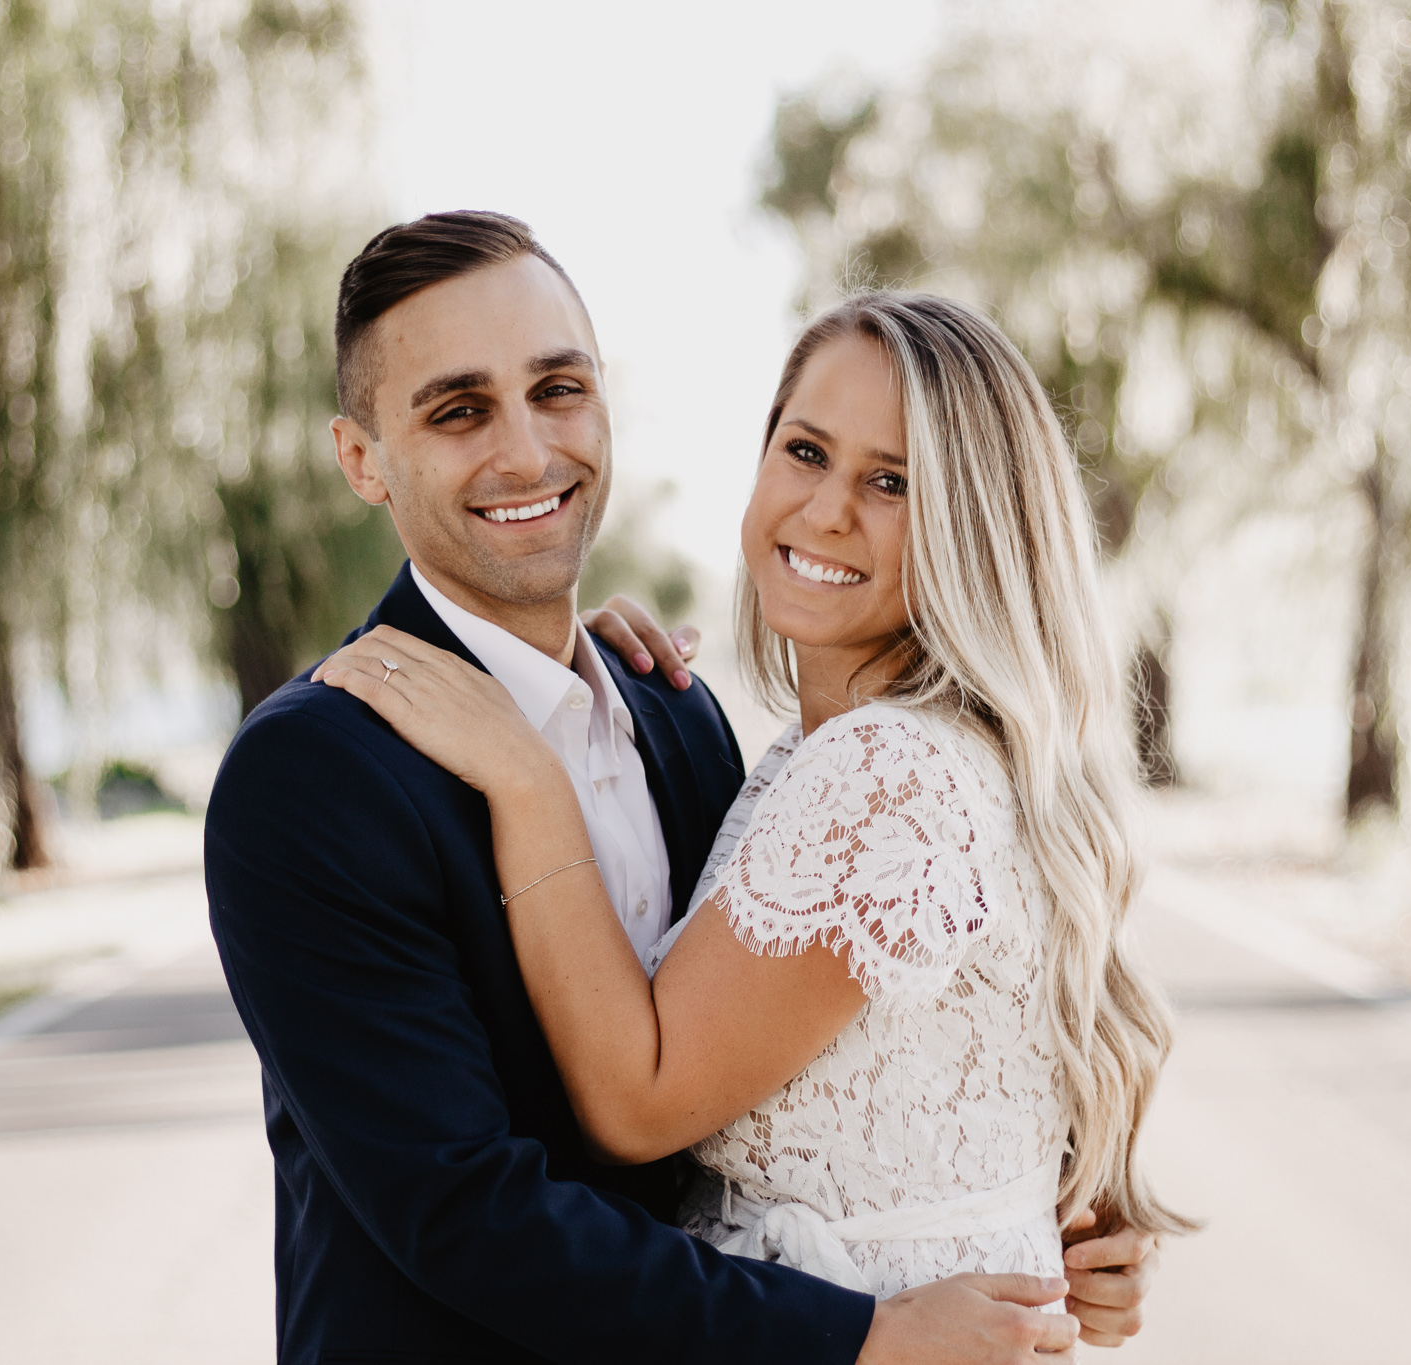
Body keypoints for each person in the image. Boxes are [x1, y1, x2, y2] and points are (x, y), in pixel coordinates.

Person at [206, 210, 1159, 1365]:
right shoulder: (312, 772)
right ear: (362, 459)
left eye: (558, 389)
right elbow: (463, 1212)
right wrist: (861, 1334)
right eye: (458, 410)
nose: (523, 451)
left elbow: (813, 1061)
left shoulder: (673, 711)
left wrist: (1012, 1225)